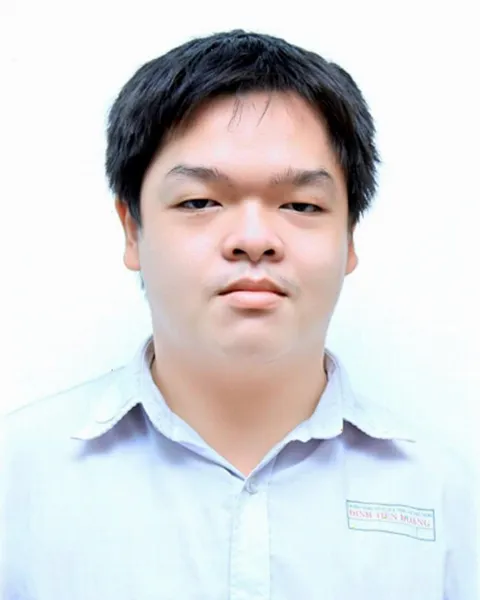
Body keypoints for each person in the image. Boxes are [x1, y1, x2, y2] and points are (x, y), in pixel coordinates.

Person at [2, 30, 477, 600]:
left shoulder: (450, 498)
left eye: (301, 205)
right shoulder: (17, 479)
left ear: (349, 236)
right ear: (132, 230)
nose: (253, 239)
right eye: (200, 202)